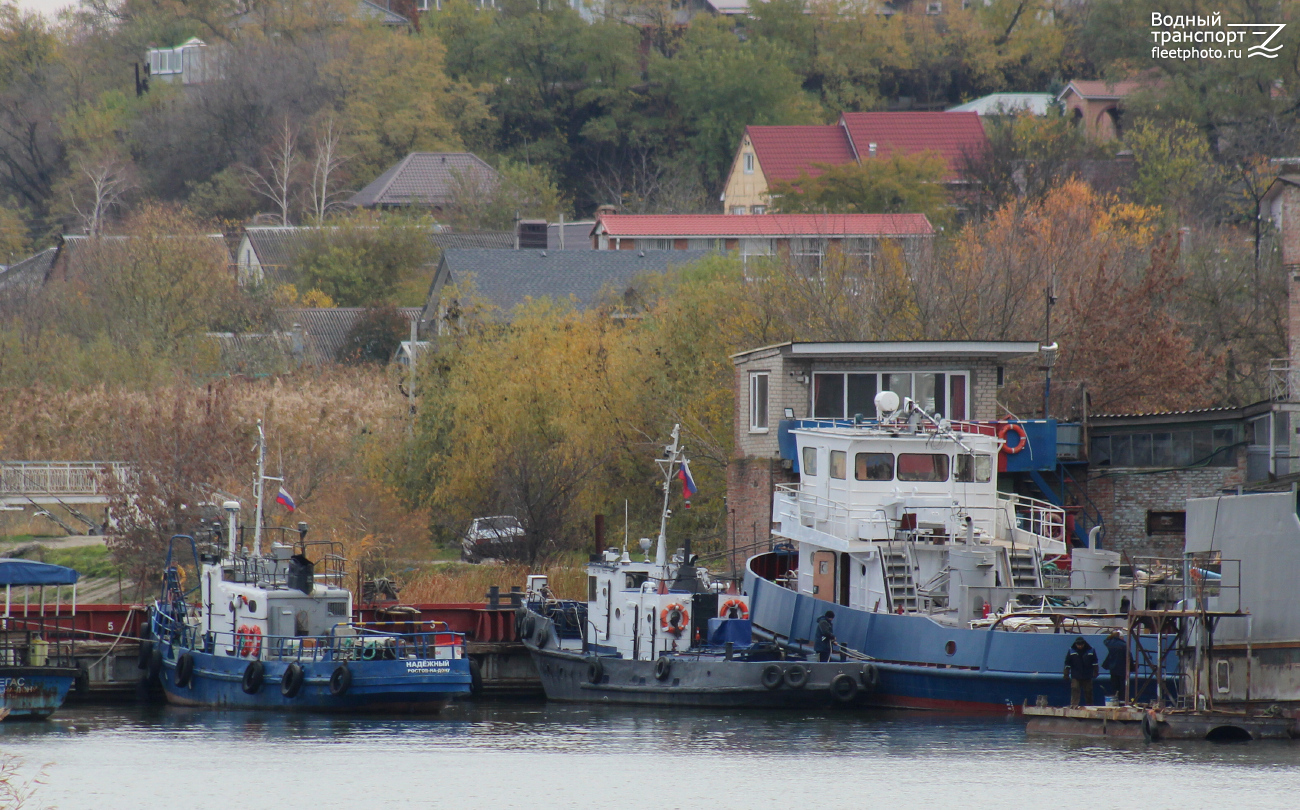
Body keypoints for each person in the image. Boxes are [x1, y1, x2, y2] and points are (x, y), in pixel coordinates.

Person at [1063, 636, 1099, 707]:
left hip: (1087, 675)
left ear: (1084, 644)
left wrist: (1096, 671)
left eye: (1081, 645)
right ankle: (1074, 705)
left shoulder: (1091, 650)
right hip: (1076, 675)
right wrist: (1066, 673)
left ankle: (1090, 706)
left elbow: (1095, 662)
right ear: (1076, 644)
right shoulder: (1071, 651)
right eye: (1078, 645)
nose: (1080, 646)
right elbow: (1067, 663)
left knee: (1088, 691)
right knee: (1075, 689)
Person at [1101, 630, 1127, 701]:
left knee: (1114, 687)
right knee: (1123, 687)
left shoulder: (1110, 644)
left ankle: (1115, 700)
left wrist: (1111, 636)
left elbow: (1105, 641)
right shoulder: (1124, 645)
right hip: (1122, 669)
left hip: (1113, 668)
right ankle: (1122, 701)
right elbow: (1128, 657)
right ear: (1121, 637)